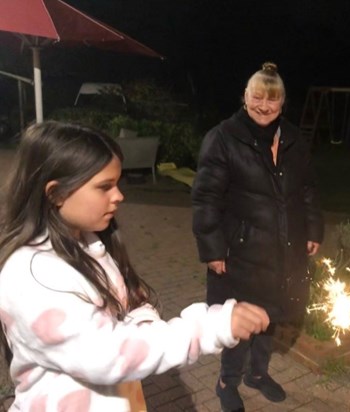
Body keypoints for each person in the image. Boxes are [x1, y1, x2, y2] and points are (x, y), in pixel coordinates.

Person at [0, 121, 270, 412]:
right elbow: (109, 355)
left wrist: (146, 329)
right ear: (55, 194)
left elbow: (127, 306)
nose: (119, 196)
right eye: (104, 187)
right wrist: (209, 327)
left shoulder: (90, 245)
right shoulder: (32, 278)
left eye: (117, 183)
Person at [192, 62, 324, 412]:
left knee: (272, 315)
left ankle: (258, 374)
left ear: (283, 103)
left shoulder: (294, 138)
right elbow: (206, 198)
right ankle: (227, 382)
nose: (264, 106)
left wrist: (313, 229)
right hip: (240, 250)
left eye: (273, 99)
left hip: (284, 249)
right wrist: (212, 248)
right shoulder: (222, 138)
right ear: (245, 97)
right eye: (257, 97)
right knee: (239, 323)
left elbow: (308, 188)